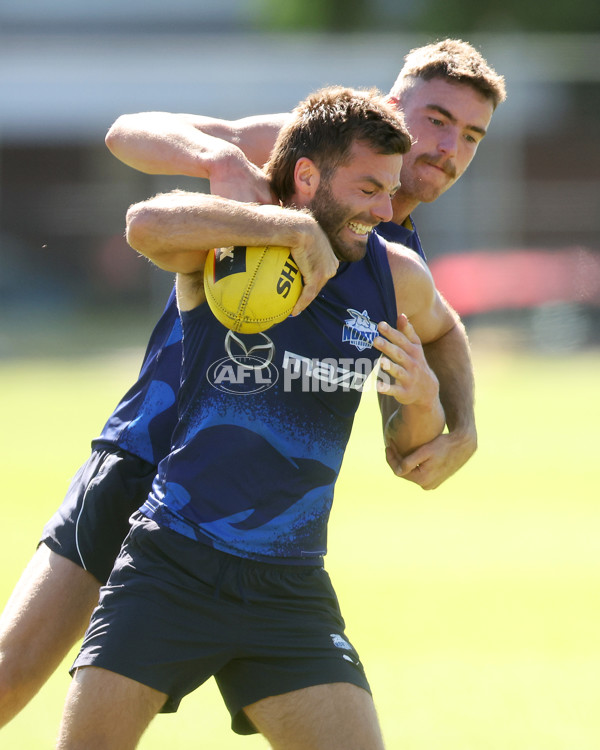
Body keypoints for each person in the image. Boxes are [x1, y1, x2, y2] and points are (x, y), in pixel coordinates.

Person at [0, 38, 506, 730]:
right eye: (438, 118)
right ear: (393, 106)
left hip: (254, 527)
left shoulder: (396, 260)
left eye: (471, 136)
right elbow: (127, 137)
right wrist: (225, 166)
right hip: (142, 461)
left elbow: (417, 404)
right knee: (9, 676)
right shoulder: (302, 153)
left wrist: (461, 423)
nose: (447, 145)